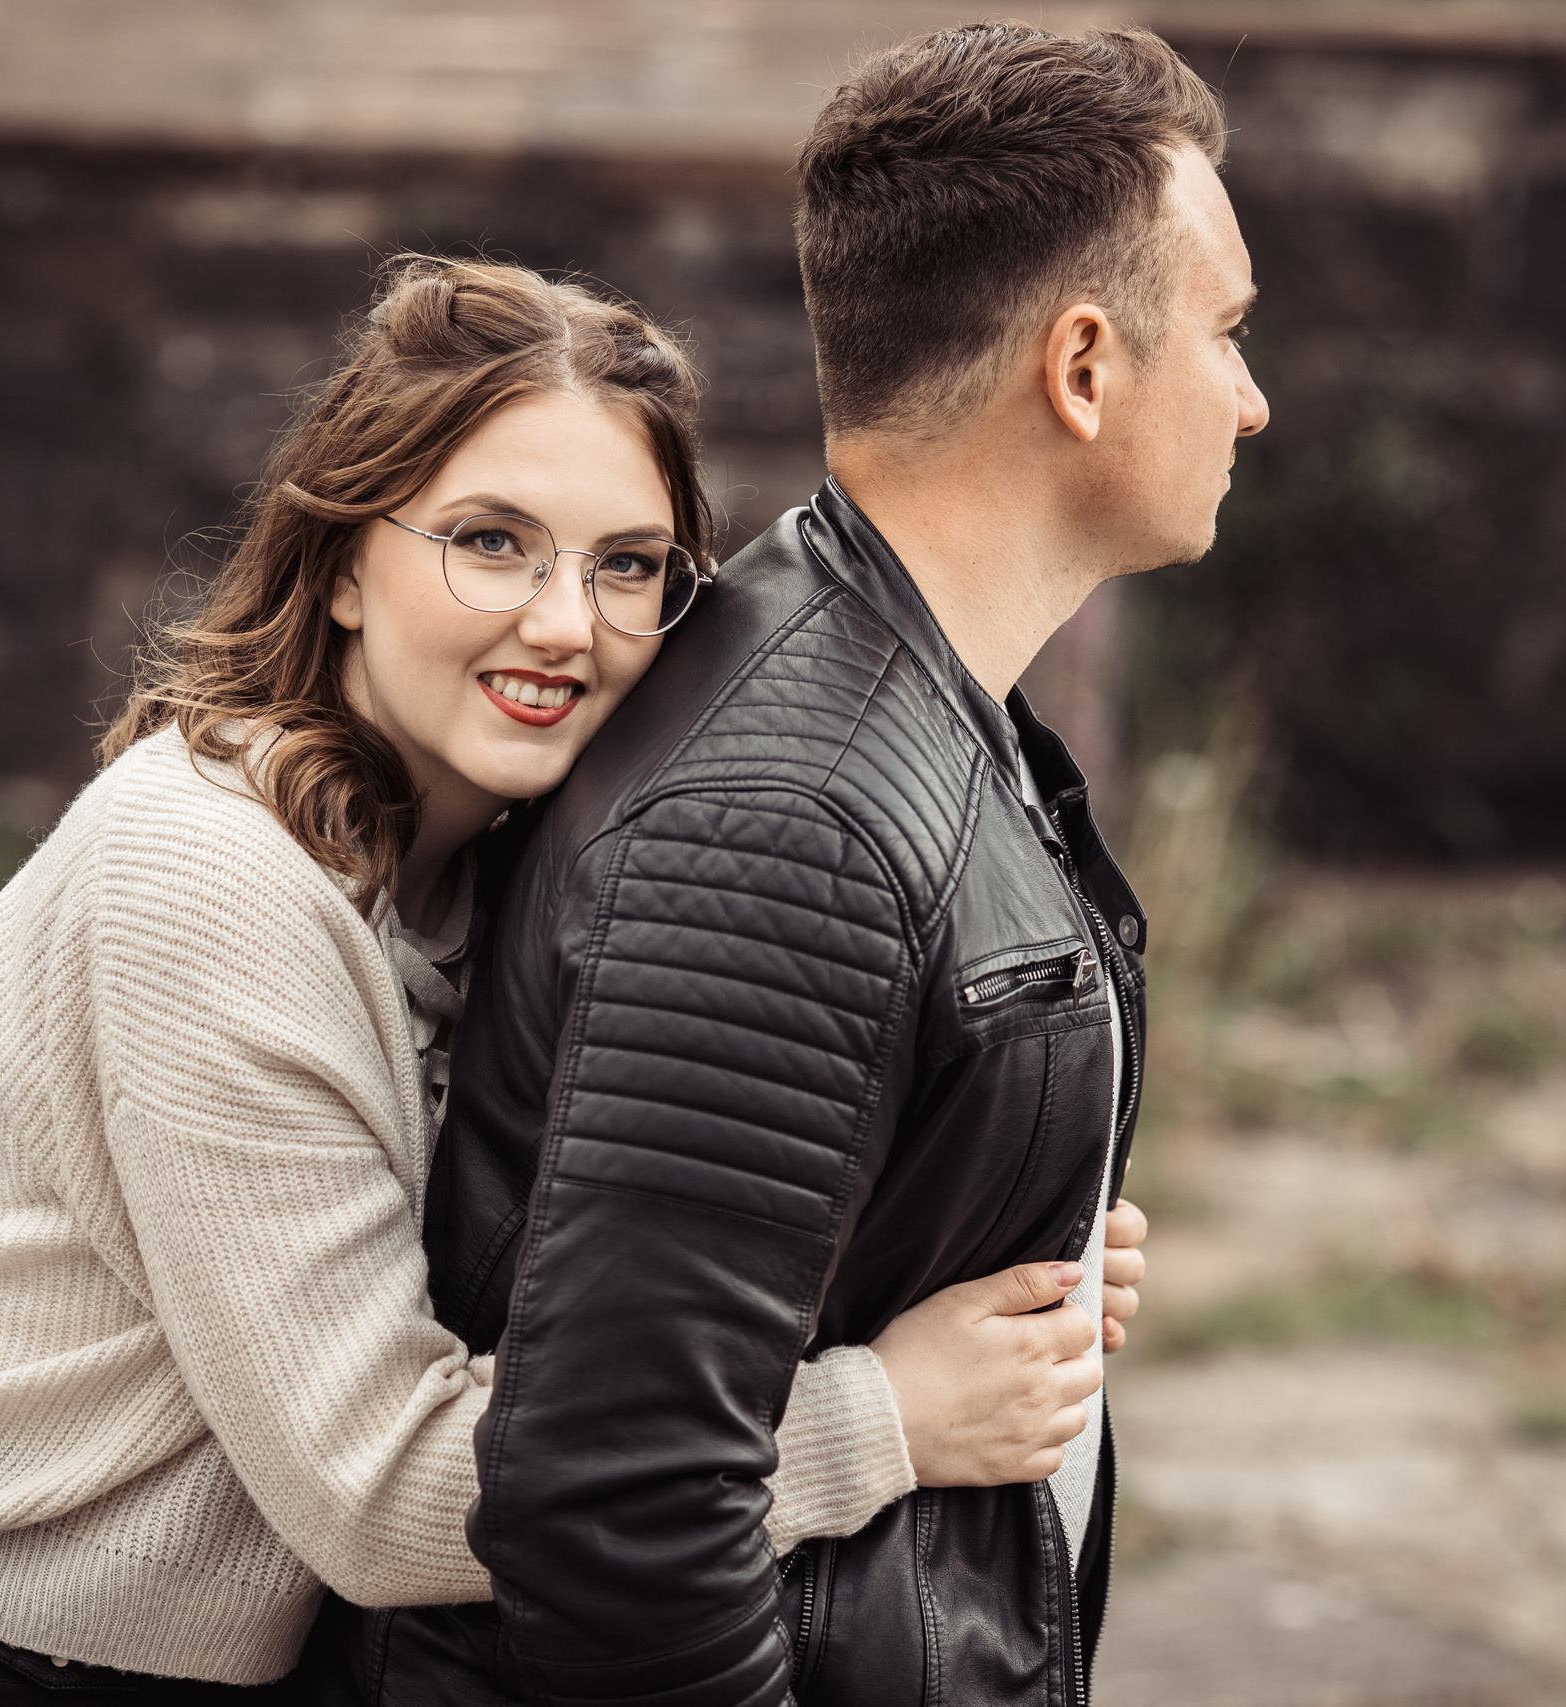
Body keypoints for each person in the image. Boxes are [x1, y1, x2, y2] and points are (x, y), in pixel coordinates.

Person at [0, 258, 1143, 1705]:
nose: (566, 622)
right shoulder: (207, 876)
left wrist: (996, 1260)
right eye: (491, 541)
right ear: (344, 564)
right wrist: (891, 1412)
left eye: (628, 565)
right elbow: (378, 1490)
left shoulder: (491, 875)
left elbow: (591, 1275)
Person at [381, 23, 1267, 1707]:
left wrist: (1008, 1193)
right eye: (1225, 333)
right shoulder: (793, 819)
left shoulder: (921, 699)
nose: (1252, 394)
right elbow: (617, 1518)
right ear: (1082, 371)